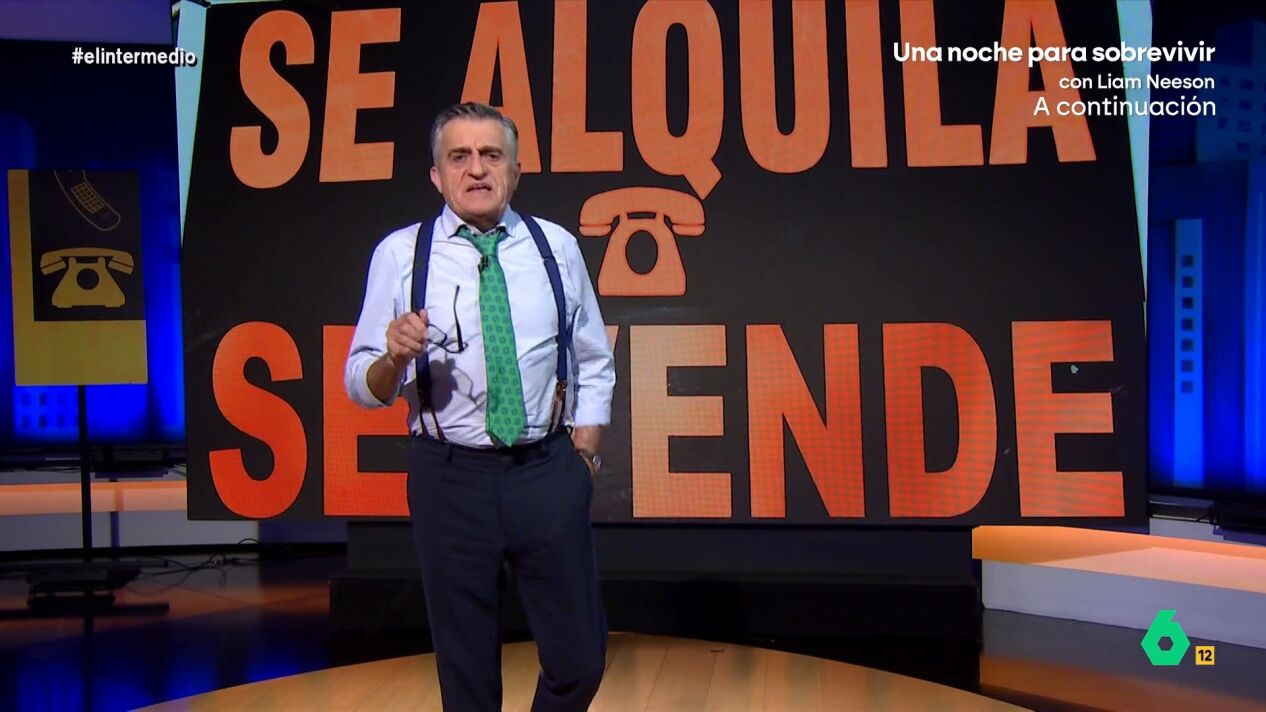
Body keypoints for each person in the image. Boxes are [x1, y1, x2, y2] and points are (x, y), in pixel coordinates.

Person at [344, 102, 615, 711]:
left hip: (545, 471)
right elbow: (362, 385)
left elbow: (594, 357)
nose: (476, 169)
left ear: (515, 171)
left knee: (579, 660)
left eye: (491, 155)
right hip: (449, 479)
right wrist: (392, 357)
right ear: (436, 175)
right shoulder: (401, 255)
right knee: (466, 677)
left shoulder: (556, 247)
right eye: (459, 156)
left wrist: (584, 455)